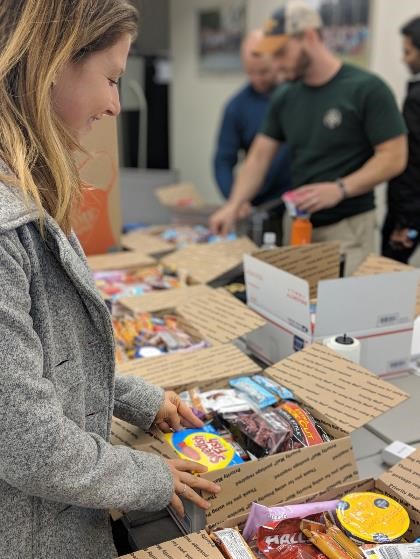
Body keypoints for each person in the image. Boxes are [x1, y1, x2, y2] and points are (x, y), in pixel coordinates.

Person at [0, 2, 220, 558]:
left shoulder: (28, 195)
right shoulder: (5, 229)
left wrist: (139, 400)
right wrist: (154, 479)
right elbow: (28, 443)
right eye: (112, 79)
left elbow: (45, 362)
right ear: (51, 64)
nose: (116, 105)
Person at [210, 0, 408, 275]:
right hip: (298, 226)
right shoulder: (285, 96)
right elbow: (258, 157)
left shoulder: (366, 89)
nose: (276, 64)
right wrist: (232, 206)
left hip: (348, 228)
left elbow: (394, 157)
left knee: (342, 312)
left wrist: (340, 188)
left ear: (310, 36)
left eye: (281, 52)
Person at [213, 30, 291, 244]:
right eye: (251, 72)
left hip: (297, 205)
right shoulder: (237, 106)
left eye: (264, 72)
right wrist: (235, 200)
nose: (258, 79)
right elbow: (223, 161)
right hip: (257, 206)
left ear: (277, 60)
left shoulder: (296, 96)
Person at [382, 16, 420, 263]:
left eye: (408, 51)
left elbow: (411, 161)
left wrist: (406, 222)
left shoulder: (417, 100)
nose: (404, 59)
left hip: (411, 213)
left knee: (387, 275)